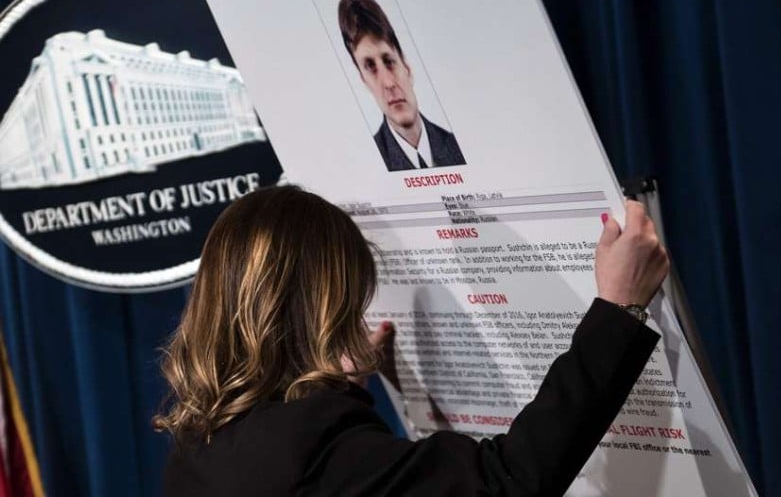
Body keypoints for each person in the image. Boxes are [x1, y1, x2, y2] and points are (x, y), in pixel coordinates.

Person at [155, 186, 669, 496]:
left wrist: (342, 387)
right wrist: (619, 310)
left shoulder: (200, 442)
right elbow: (508, 483)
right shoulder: (312, 447)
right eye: (349, 302)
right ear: (320, 308)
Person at [338, 0, 466, 171]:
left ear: (407, 68)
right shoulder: (366, 166)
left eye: (389, 62)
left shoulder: (458, 145)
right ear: (364, 81)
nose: (389, 83)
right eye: (370, 67)